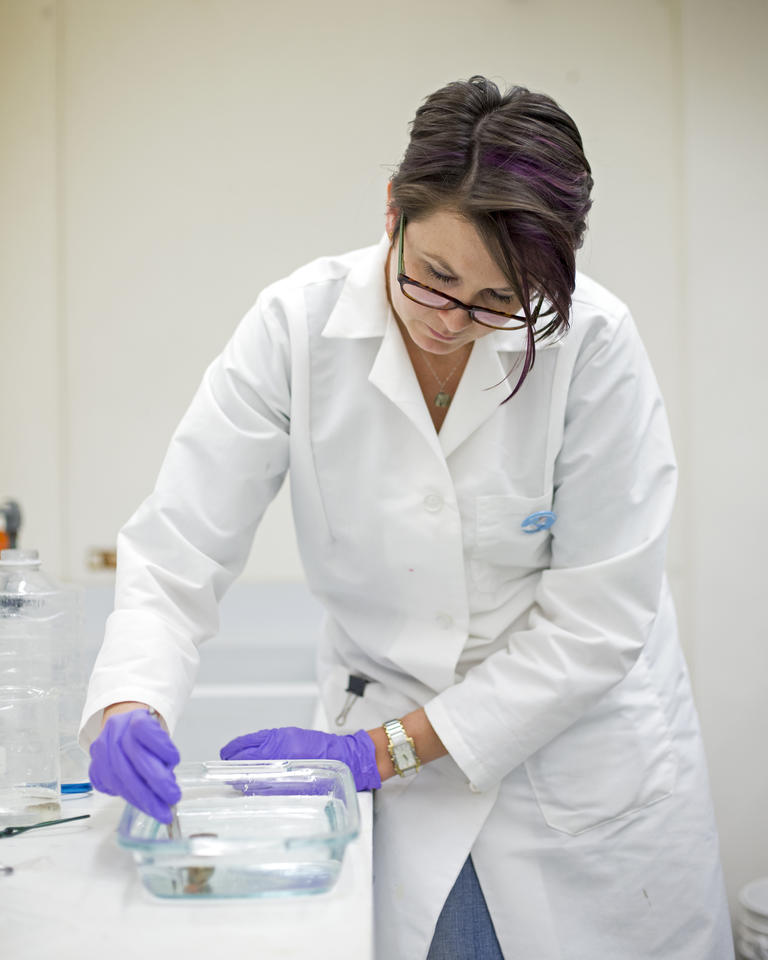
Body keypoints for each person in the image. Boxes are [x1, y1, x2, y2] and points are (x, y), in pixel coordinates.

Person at [81, 76, 734, 959]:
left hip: (581, 777)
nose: (452, 323)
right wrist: (132, 701)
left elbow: (597, 622)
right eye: (433, 277)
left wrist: (382, 752)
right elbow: (177, 548)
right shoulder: (296, 328)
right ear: (392, 211)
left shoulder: (595, 346)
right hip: (394, 732)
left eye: (499, 301)